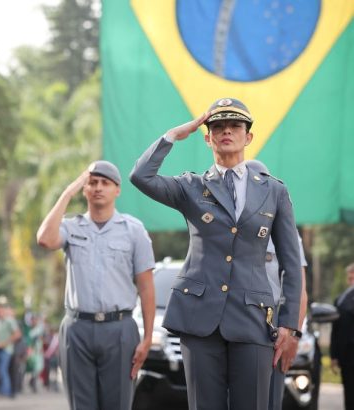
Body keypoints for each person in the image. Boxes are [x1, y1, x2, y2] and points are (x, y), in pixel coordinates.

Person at [130, 98, 302, 410]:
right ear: (207, 137)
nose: (226, 132)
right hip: (199, 316)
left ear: (248, 137)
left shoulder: (274, 190)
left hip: (253, 317)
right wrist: (174, 135)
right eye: (217, 127)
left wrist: (290, 325)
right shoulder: (191, 186)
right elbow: (141, 176)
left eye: (235, 126)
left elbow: (291, 263)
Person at [37, 160, 156, 410]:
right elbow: (45, 239)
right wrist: (68, 192)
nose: (98, 187)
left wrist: (146, 339)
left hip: (120, 329)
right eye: (92, 183)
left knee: (118, 404)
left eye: (105, 183)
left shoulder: (133, 231)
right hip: (77, 329)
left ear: (117, 190)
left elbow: (146, 288)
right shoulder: (71, 226)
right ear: (84, 189)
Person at [246, 160, 309, 410]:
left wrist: (294, 333)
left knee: (269, 401)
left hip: (271, 332)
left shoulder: (285, 231)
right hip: (231, 326)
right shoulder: (226, 226)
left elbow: (299, 289)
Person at [330, 263, 354, 410]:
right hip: (347, 356)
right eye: (350, 278)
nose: (351, 281)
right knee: (349, 393)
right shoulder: (341, 300)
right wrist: (334, 356)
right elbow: (335, 330)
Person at [0, 301, 21, 398]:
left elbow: (17, 334)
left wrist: (5, 343)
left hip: (7, 349)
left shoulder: (10, 320)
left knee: (3, 370)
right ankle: (3, 389)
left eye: (0, 310)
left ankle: (6, 391)